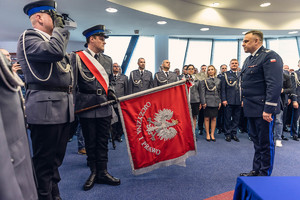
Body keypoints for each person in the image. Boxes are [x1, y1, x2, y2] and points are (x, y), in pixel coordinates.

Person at [17, 1, 74, 199]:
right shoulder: (29, 37)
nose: (58, 20)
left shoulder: (51, 39)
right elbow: (55, 52)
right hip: (45, 110)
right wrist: (59, 30)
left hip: (61, 107)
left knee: (55, 161)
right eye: (53, 15)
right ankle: (43, 195)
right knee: (44, 162)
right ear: (39, 17)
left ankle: (54, 194)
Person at [70, 24, 120, 191]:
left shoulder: (107, 60)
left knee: (102, 141)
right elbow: (73, 83)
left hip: (105, 105)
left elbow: (111, 81)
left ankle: (103, 172)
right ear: (91, 39)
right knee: (90, 142)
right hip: (87, 105)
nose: (104, 42)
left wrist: (111, 91)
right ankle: (93, 172)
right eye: (101, 38)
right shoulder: (77, 57)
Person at [240, 30, 283, 176]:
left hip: (263, 108)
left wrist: (268, 109)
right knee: (257, 142)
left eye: (246, 41)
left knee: (265, 143)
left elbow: (274, 84)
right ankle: (256, 170)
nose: (243, 44)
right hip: (251, 107)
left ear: (257, 41)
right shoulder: (249, 59)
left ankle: (265, 174)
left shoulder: (270, 56)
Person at [0, 48, 38, 200]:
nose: (8, 58)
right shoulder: (7, 76)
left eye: (9, 55)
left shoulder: (15, 75)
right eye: (5, 56)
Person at [221, 59, 241, 142]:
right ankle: (227, 134)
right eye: (232, 63)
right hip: (229, 100)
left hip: (238, 100)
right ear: (229, 65)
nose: (234, 65)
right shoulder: (225, 74)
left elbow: (243, 88)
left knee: (236, 118)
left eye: (236, 63)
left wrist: (243, 100)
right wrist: (224, 99)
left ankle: (234, 133)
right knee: (227, 118)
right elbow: (223, 89)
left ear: (238, 64)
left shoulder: (241, 74)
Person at [200, 65, 221, 142]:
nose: (210, 71)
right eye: (209, 70)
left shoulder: (218, 80)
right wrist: (203, 102)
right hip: (207, 101)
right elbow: (202, 92)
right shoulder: (204, 80)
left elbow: (219, 92)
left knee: (214, 118)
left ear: (214, 71)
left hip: (215, 101)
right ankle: (207, 134)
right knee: (206, 118)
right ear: (207, 72)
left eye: (212, 69)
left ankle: (212, 134)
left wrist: (219, 101)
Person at [274, 67, 293, 147]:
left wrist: (283, 90)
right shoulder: (267, 74)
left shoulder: (286, 76)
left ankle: (278, 139)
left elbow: (290, 89)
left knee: (278, 120)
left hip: (280, 101)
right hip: (267, 100)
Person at [111, 62, 128, 142]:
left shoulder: (124, 78)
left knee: (121, 121)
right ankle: (113, 136)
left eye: (117, 66)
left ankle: (118, 135)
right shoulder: (109, 77)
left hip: (120, 102)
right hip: (111, 102)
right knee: (112, 120)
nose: (116, 68)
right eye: (114, 66)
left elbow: (126, 90)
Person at [186, 64, 201, 133]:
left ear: (194, 70)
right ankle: (187, 134)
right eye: (189, 69)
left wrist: (201, 102)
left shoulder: (198, 79)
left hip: (195, 100)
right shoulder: (183, 79)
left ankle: (193, 133)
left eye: (192, 69)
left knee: (194, 117)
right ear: (186, 70)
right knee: (186, 118)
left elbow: (200, 91)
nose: (191, 70)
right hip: (186, 100)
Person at [195, 64, 207, 135]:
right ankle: (200, 128)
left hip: (208, 97)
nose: (204, 70)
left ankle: (207, 128)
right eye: (202, 68)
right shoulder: (197, 76)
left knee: (207, 114)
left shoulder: (209, 76)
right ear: (200, 69)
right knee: (201, 114)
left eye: (205, 68)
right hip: (200, 97)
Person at [290, 60, 300, 141]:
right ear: (298, 64)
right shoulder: (295, 74)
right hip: (298, 99)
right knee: (295, 117)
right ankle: (294, 133)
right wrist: (294, 100)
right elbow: (293, 88)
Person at [216, 64, 227, 134]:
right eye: (222, 68)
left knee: (226, 115)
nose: (224, 69)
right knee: (219, 115)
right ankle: (219, 128)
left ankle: (224, 128)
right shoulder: (218, 77)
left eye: (225, 68)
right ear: (220, 69)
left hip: (227, 98)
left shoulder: (228, 76)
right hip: (219, 98)